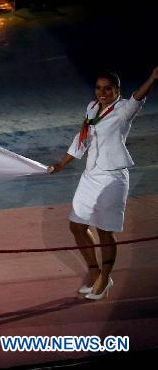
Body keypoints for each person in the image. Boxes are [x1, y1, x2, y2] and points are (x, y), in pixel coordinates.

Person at [47, 67, 157, 300]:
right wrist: (61, 164)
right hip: (90, 175)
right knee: (76, 225)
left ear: (117, 90)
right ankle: (94, 270)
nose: (102, 92)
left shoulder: (123, 110)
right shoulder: (92, 108)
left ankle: (105, 278)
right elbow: (82, 139)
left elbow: (138, 97)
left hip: (112, 177)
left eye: (108, 88)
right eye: (99, 87)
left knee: (104, 231)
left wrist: (153, 78)